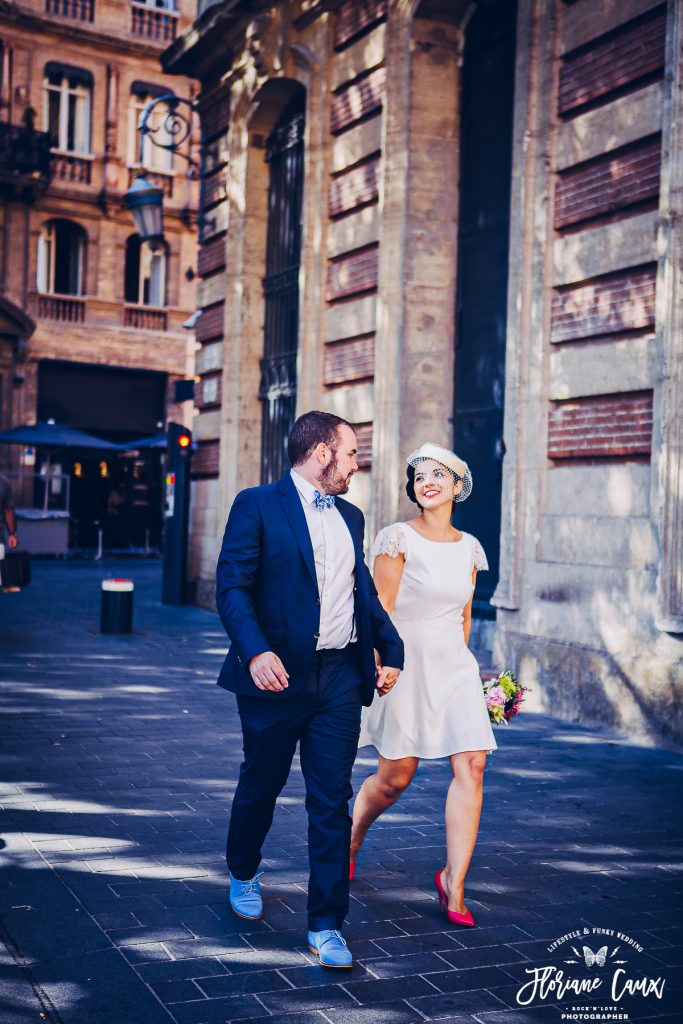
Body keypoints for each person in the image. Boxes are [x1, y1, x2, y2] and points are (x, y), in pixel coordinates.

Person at [215, 411, 404, 968]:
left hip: (340, 677)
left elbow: (360, 590)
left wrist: (389, 648)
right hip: (274, 675)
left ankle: (326, 923)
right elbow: (232, 587)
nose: (355, 465)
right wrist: (256, 651)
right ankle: (243, 869)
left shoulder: (352, 515)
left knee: (331, 800)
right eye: (349, 454)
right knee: (262, 784)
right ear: (322, 454)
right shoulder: (256, 504)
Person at [350, 442, 495, 928]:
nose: (427, 482)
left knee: (472, 765)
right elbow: (379, 610)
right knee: (395, 779)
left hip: (454, 667)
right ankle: (349, 840)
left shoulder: (471, 547)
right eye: (419, 477)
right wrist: (377, 666)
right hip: (403, 665)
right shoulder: (398, 539)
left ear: (458, 486)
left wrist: (472, 674)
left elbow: (465, 617)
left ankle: (453, 883)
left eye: (438, 475)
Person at [0, 473, 19, 550]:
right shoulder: (3, 482)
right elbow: (8, 511)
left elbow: (8, 511)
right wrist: (12, 534)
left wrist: (12, 534)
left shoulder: (3, 482)